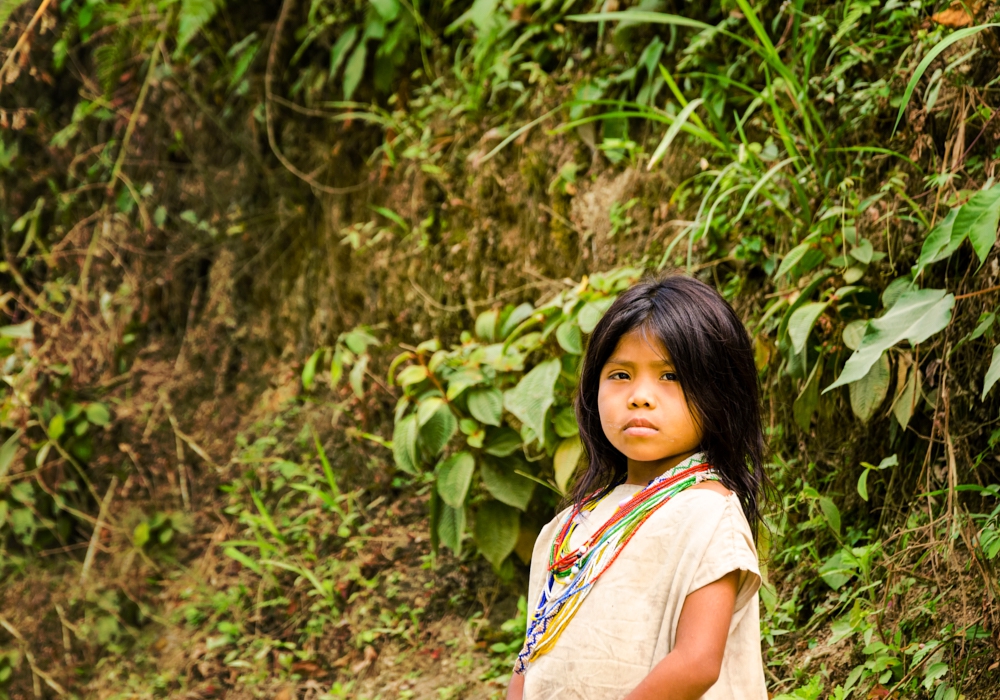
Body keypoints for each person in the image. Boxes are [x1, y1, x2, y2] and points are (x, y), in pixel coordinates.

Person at [507, 275, 769, 700]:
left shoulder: (707, 514)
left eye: (669, 375)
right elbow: (532, 654)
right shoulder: (567, 528)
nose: (640, 396)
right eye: (621, 374)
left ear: (719, 392)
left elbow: (697, 662)